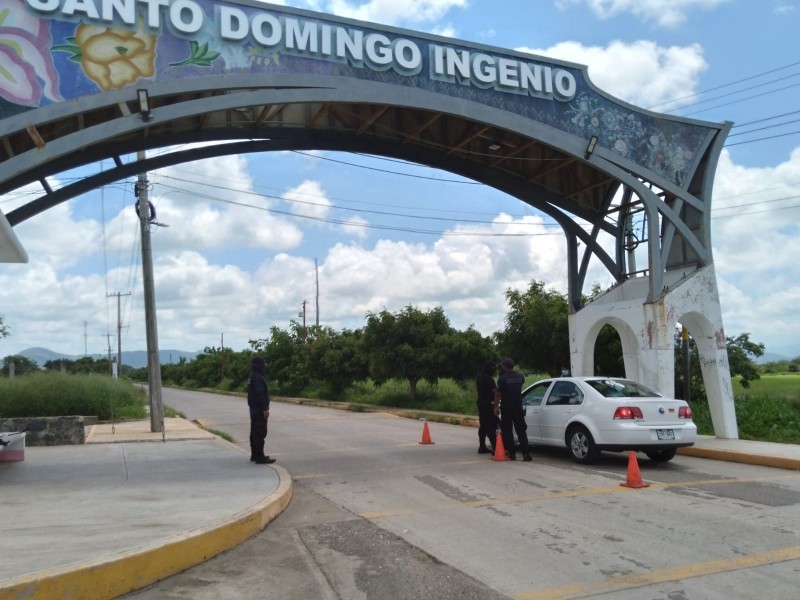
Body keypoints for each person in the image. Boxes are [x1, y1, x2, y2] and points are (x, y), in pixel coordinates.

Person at [494, 357, 532, 461]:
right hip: (518, 407)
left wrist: (495, 406)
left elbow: (498, 395)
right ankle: (525, 454)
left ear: (505, 366)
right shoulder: (520, 376)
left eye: (502, 366)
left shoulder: (502, 379)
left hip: (506, 408)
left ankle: (512, 454)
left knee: (508, 431)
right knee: (521, 431)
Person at [247, 356, 275, 464]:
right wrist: (265, 409)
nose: (264, 367)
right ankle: (260, 456)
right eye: (263, 365)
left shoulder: (252, 376)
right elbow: (259, 394)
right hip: (259, 410)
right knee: (260, 433)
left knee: (254, 432)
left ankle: (254, 455)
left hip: (253, 409)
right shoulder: (257, 377)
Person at [475, 360, 498, 454]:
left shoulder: (479, 376)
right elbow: (496, 392)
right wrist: (497, 405)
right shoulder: (488, 378)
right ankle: (496, 448)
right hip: (489, 404)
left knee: (483, 426)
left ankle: (482, 446)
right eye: (493, 369)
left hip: (481, 403)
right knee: (491, 426)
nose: (494, 371)